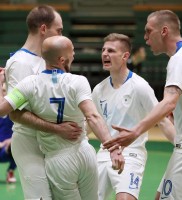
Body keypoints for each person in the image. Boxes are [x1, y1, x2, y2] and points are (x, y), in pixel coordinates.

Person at [0, 35, 124, 200]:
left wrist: (2, 83)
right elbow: (93, 116)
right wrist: (114, 149)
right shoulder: (79, 81)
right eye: (72, 52)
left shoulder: (29, 84)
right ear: (61, 59)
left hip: (59, 160)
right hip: (85, 153)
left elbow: (2, 110)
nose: (74, 55)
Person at [103, 10, 182, 200]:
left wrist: (135, 132)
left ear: (164, 31)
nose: (146, 38)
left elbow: (169, 102)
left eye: (149, 31)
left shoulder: (179, 59)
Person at [5, 5, 83, 200]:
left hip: (50, 143)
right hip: (29, 143)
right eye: (58, 30)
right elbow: (15, 113)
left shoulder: (49, 59)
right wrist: (58, 129)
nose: (61, 35)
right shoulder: (20, 63)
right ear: (43, 29)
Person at [91, 33, 175, 200]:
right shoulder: (98, 90)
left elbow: (162, 120)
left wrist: (180, 145)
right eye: (103, 50)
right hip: (104, 153)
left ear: (125, 56)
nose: (105, 54)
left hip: (132, 154)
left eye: (111, 50)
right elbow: (91, 123)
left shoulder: (140, 87)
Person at [0, 83, 16, 184]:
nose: (4, 95)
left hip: (7, 150)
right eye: (2, 91)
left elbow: (21, 131)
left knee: (18, 143)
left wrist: (10, 141)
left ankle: (10, 171)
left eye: (6, 91)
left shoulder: (14, 114)